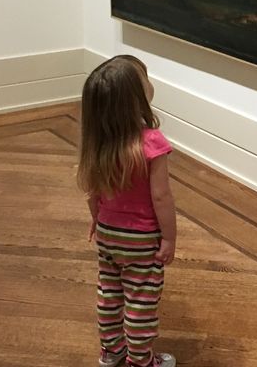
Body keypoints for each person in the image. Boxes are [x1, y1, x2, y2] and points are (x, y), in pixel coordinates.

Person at [79, 55, 177, 367]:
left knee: (109, 294)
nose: (151, 82)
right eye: (145, 77)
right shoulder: (152, 144)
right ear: (136, 98)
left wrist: (97, 220)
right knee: (140, 303)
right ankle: (141, 360)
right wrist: (170, 239)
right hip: (142, 239)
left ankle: (111, 353)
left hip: (108, 234)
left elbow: (92, 193)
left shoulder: (100, 143)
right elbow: (161, 197)